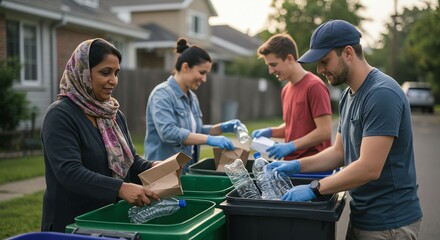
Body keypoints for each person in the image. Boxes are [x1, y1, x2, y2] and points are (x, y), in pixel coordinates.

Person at [267, 20, 422, 239]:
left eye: (324, 61)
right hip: (364, 215)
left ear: (348, 53)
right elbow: (338, 153)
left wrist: (314, 187)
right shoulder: (349, 96)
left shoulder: (381, 94)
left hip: (389, 223)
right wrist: (294, 166)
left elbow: (369, 167)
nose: (320, 70)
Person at [41, 38, 160, 232]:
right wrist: (120, 188)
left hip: (109, 219)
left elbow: (131, 162)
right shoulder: (60, 115)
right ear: (83, 72)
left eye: (116, 73)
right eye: (105, 72)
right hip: (72, 225)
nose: (113, 80)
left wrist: (155, 166)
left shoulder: (112, 113)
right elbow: (69, 172)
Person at [144, 38, 241, 173]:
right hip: (163, 174)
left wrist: (223, 127)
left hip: (185, 171)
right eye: (202, 72)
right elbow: (168, 133)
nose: (204, 79)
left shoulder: (192, 97)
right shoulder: (162, 94)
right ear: (185, 67)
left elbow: (196, 131)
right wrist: (209, 139)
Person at [253, 33, 332, 160]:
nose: (270, 71)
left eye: (273, 64)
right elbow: (294, 126)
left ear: (290, 58)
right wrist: (271, 132)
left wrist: (291, 146)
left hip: (314, 169)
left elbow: (325, 131)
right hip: (291, 168)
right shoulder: (286, 90)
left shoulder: (314, 86)